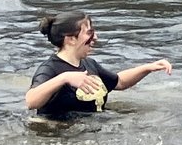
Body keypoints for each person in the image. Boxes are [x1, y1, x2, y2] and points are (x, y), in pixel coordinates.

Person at [25, 11, 171, 121]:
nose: (95, 37)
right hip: (61, 139)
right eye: (89, 33)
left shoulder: (89, 64)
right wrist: (65, 78)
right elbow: (31, 101)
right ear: (70, 39)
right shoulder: (50, 69)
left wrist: (147, 68)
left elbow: (119, 82)